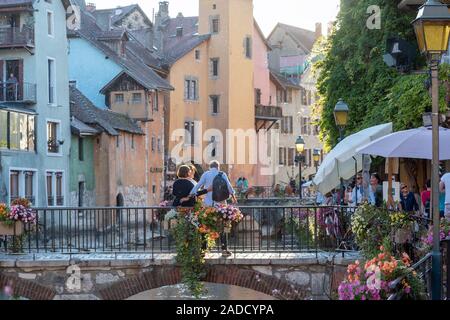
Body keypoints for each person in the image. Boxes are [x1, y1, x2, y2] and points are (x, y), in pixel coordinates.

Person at [189, 161, 236, 256]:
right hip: (221, 205)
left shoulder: (206, 174)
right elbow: (229, 186)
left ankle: (203, 249)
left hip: (208, 204)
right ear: (218, 167)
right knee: (223, 225)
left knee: (205, 226)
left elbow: (198, 186)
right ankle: (224, 249)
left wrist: (192, 193)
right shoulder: (222, 174)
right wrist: (234, 196)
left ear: (210, 167)